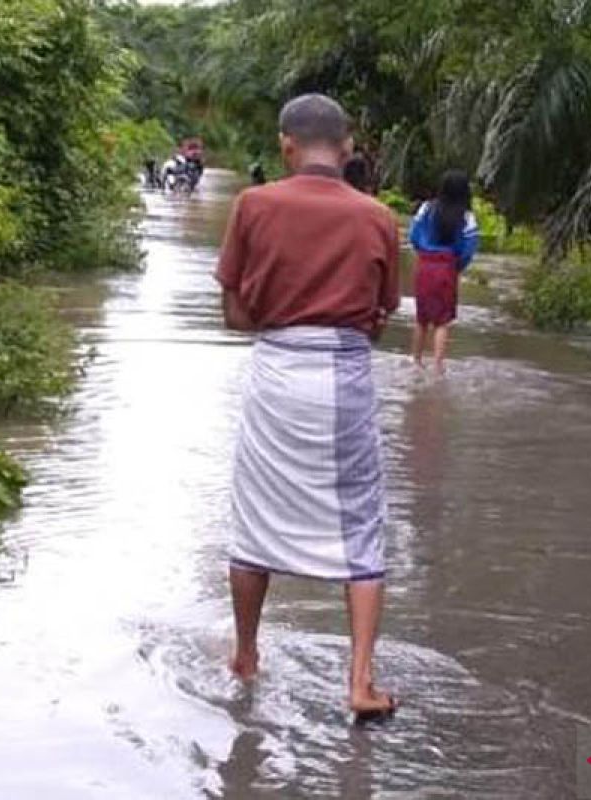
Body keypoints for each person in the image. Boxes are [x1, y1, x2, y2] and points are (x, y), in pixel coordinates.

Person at [215, 93, 401, 722]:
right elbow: (379, 318)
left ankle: (244, 656)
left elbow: (236, 312)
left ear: (285, 146)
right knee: (362, 526)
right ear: (347, 149)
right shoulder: (377, 216)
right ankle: (360, 681)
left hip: (276, 375)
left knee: (254, 521)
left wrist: (280, 318)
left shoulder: (253, 205)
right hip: (344, 379)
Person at [409, 170, 479, 373]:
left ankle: (416, 362)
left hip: (424, 265)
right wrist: (456, 267)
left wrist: (423, 253)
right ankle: (438, 367)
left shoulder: (426, 208)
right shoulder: (467, 217)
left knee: (421, 318)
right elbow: (468, 248)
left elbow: (413, 235)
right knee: (442, 321)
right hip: (447, 268)